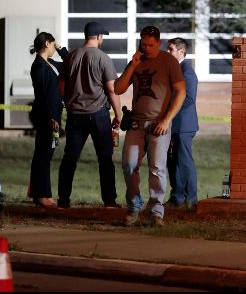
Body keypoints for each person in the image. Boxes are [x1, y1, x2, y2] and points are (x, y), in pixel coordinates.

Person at [115, 26, 186, 227]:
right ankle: (134, 206)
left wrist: (166, 120)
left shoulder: (169, 61)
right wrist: (132, 65)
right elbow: (118, 89)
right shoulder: (136, 61)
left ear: (159, 43)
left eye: (150, 45)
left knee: (157, 169)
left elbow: (181, 92)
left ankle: (156, 212)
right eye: (143, 44)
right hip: (136, 124)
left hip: (159, 124)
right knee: (129, 165)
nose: (146, 48)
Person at [57, 21, 122, 209]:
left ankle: (63, 200)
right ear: (99, 37)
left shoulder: (71, 56)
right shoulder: (103, 58)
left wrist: (68, 102)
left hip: (75, 115)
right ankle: (109, 201)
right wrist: (118, 114)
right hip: (98, 114)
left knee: (70, 158)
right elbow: (112, 90)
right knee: (105, 159)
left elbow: (62, 85)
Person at [28, 32, 68, 208]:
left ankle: (39, 193)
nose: (54, 48)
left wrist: (60, 49)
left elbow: (68, 64)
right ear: (46, 44)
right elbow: (43, 95)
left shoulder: (49, 63)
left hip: (53, 115)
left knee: (45, 153)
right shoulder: (38, 66)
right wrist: (50, 117)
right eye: (52, 45)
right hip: (47, 117)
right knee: (43, 154)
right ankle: (42, 195)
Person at [165, 37, 199, 212]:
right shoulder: (174, 70)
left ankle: (191, 200)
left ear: (181, 52)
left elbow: (189, 99)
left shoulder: (187, 72)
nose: (167, 52)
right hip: (173, 124)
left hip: (183, 125)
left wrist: (169, 112)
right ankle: (177, 198)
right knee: (173, 162)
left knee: (185, 162)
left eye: (171, 49)